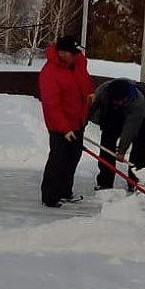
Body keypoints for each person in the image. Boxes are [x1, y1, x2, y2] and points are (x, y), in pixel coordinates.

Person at [38, 36, 95, 207]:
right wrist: (64, 128)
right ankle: (50, 197)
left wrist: (89, 92)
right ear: (62, 53)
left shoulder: (78, 63)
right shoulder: (49, 74)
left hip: (78, 120)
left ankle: (65, 191)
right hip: (59, 126)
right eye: (73, 53)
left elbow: (84, 79)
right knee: (58, 158)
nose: (76, 55)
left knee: (73, 157)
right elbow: (51, 105)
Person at [88, 78, 145, 191]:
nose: (118, 103)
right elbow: (90, 109)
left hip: (139, 119)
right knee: (107, 142)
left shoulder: (138, 102)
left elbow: (130, 129)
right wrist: (80, 127)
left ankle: (135, 182)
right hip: (112, 113)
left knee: (140, 144)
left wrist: (121, 151)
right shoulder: (102, 92)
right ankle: (105, 182)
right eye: (116, 101)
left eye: (120, 101)